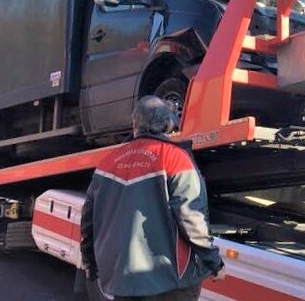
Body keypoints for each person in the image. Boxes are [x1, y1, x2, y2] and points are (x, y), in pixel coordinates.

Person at [81, 96, 224, 301]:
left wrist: (90, 265)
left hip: (123, 279)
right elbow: (191, 218)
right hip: (170, 281)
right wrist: (214, 263)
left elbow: (88, 222)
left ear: (134, 125)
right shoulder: (175, 158)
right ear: (168, 125)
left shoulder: (106, 164)